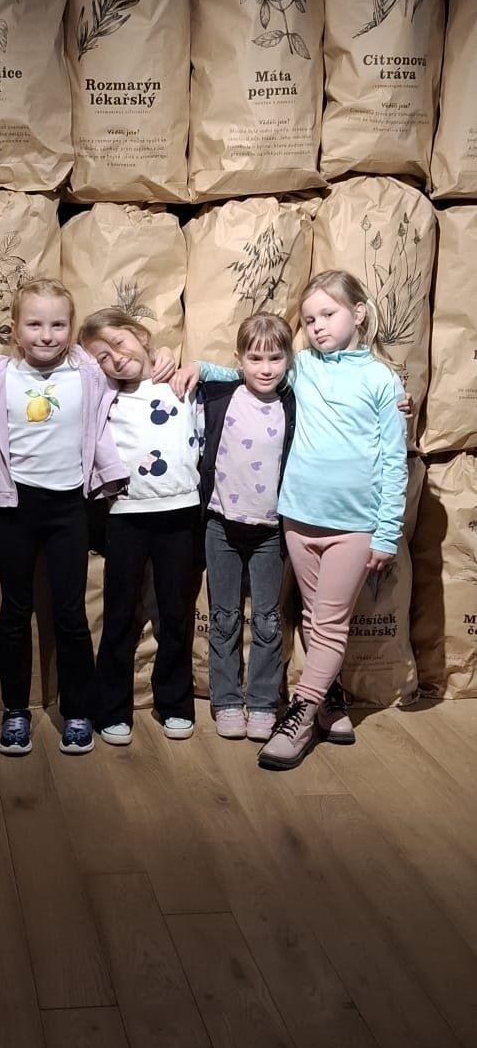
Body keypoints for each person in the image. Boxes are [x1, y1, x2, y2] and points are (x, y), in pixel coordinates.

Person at [171, 270, 408, 771]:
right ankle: (330, 702)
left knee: (331, 622)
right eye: (310, 319)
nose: (318, 326)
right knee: (312, 617)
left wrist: (387, 532)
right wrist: (197, 367)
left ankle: (298, 716)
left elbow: (394, 460)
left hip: (353, 523)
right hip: (297, 519)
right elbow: (244, 370)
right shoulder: (301, 369)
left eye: (329, 314)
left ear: (358, 313)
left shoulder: (381, 380)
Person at [0, 277, 128, 758]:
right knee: (14, 613)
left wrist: (166, 356)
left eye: (58, 325)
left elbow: (135, 359)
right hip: (18, 507)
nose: (46, 335)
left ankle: (77, 711)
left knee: (69, 614)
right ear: (15, 329)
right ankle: (15, 711)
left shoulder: (88, 373)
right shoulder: (0, 377)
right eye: (35, 324)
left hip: (68, 508)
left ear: (71, 328)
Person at [80, 308, 202, 745]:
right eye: (102, 356)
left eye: (120, 342)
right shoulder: (104, 395)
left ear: (141, 336)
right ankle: (112, 708)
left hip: (180, 512)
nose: (115, 357)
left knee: (174, 612)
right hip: (126, 515)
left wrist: (173, 355)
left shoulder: (181, 381)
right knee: (119, 614)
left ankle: (176, 703)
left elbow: (230, 380)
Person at [195, 311, 296, 743]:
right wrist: (192, 367)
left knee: (268, 620)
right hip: (221, 525)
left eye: (275, 358)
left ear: (288, 360)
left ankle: (262, 702)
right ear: (239, 360)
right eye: (255, 358)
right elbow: (192, 379)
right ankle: (226, 700)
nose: (266, 368)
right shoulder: (221, 396)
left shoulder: (294, 403)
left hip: (270, 529)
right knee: (224, 617)